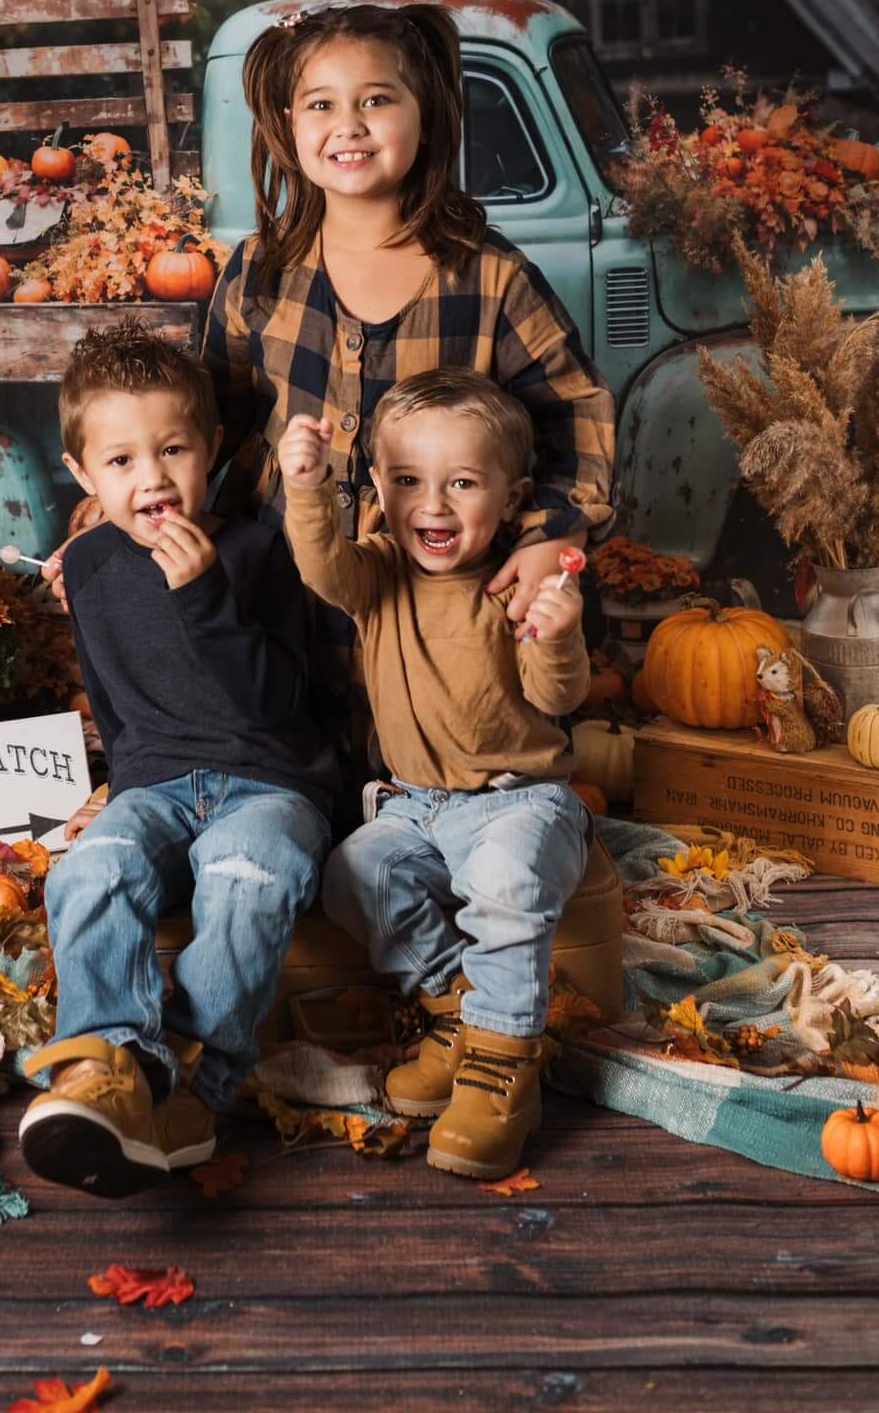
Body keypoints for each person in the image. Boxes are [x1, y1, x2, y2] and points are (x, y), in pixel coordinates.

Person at [200, 0, 617, 796]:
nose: (348, 125)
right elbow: (212, 426)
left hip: (441, 618)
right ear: (287, 126)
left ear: (425, 116)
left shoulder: (488, 277)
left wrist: (546, 538)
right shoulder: (259, 273)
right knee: (308, 804)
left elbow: (576, 419)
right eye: (321, 104)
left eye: (377, 100)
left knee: (436, 808)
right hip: (293, 596)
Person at [21, 320, 337, 1198]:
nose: (151, 479)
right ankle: (110, 1066)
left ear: (214, 451)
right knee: (91, 871)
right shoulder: (84, 566)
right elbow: (116, 704)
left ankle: (195, 1087)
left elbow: (277, 704)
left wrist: (203, 599)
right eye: (119, 462)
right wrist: (123, 798)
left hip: (270, 782)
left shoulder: (253, 552)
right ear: (82, 475)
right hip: (156, 783)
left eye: (172, 451)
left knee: (249, 874)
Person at [278, 368, 593, 1181]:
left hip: (521, 801)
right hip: (416, 805)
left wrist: (557, 633)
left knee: (504, 882)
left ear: (512, 494)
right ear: (380, 488)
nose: (436, 507)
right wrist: (307, 488)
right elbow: (320, 571)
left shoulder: (511, 583)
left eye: (462, 484)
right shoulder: (376, 572)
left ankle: (501, 1072)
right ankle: (457, 1013)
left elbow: (557, 697)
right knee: (353, 873)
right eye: (411, 482)